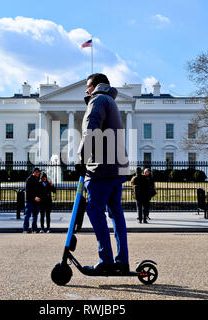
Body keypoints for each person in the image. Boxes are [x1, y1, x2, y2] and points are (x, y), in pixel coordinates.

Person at [76, 73, 130, 274]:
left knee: (94, 210)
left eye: (87, 86)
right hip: (118, 167)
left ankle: (106, 259)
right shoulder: (111, 102)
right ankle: (122, 261)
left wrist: (81, 159)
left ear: (95, 85)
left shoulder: (97, 100)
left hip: (102, 168)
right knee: (116, 213)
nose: (86, 91)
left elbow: (91, 131)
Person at [23, 167, 42, 233]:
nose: (38, 173)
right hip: (30, 200)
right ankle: (25, 229)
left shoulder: (37, 179)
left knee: (35, 215)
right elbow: (28, 191)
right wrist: (34, 197)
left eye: (39, 172)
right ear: (34, 172)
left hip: (36, 201)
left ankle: (34, 228)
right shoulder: (29, 179)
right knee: (27, 215)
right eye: (37, 172)